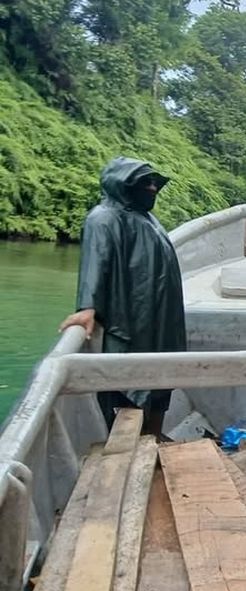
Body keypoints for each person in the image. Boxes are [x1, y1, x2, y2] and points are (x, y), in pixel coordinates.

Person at [59, 157, 186, 437]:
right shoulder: (104, 217)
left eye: (155, 183)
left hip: (161, 316)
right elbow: (96, 261)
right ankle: (128, 441)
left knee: (161, 376)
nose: (152, 188)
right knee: (127, 380)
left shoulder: (147, 218)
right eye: (145, 182)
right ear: (122, 183)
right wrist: (87, 306)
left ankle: (153, 437)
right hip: (130, 315)